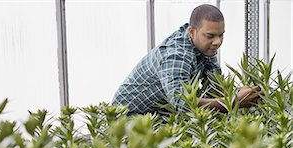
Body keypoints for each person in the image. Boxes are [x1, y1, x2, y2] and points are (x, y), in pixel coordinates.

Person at [112, 4, 261, 116]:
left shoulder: (204, 47)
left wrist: (246, 93)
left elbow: (215, 89)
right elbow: (182, 104)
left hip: (159, 117)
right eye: (210, 36)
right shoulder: (177, 55)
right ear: (192, 32)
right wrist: (234, 101)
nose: (217, 42)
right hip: (128, 120)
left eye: (221, 35)